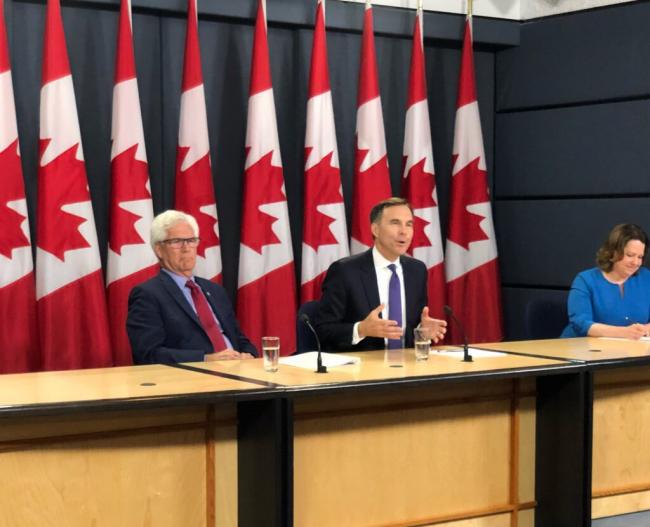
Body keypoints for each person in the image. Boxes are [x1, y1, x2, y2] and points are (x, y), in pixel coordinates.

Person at [315, 197, 447, 351]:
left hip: (408, 363)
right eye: (395, 223)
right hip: (362, 364)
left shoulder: (417, 271)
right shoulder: (345, 271)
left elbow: (412, 330)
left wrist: (422, 332)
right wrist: (360, 329)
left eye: (409, 224)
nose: (404, 231)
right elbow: (322, 330)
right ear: (375, 230)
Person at [127, 210, 257, 364]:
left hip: (239, 370)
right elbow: (148, 354)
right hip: (192, 375)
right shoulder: (148, 294)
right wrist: (204, 359)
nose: (186, 248)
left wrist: (248, 354)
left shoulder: (215, 291)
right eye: (176, 241)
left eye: (191, 240)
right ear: (159, 250)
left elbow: (239, 339)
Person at [561, 223, 650, 339]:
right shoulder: (585, 280)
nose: (636, 262)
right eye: (630, 255)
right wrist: (623, 332)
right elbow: (581, 324)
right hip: (583, 347)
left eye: (640, 257)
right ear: (613, 251)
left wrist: (646, 329)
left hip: (631, 347)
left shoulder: (646, 278)